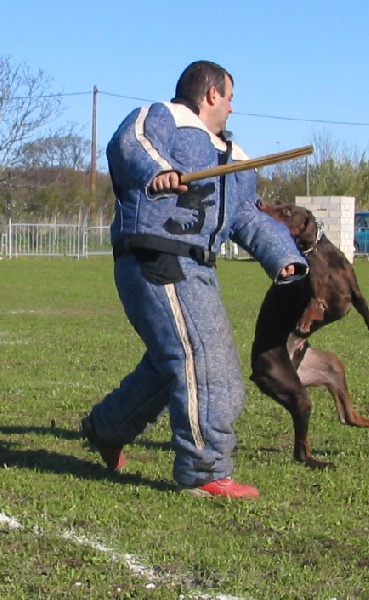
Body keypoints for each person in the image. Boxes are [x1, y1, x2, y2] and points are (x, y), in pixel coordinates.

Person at [81, 60, 308, 498]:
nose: (232, 108)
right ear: (210, 95)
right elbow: (130, 144)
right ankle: (205, 470)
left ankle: (107, 429)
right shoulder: (163, 117)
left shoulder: (236, 157)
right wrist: (157, 170)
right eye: (230, 97)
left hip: (198, 267)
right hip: (156, 256)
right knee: (206, 361)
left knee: (175, 362)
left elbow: (245, 215)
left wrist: (284, 256)